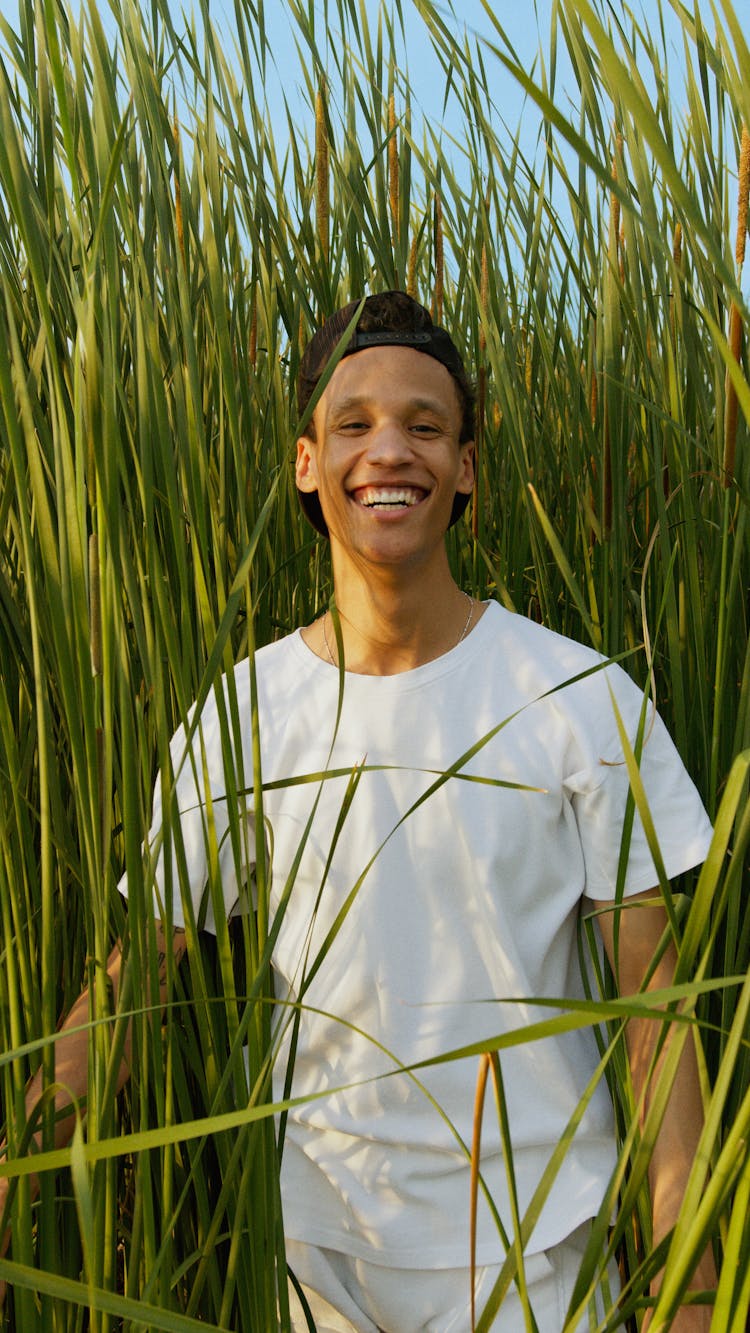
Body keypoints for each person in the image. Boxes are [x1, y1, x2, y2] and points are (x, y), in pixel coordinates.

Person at [0, 292, 717, 1331]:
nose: (392, 449)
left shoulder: (580, 700)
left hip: (543, 1265)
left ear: (465, 466)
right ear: (307, 462)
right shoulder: (244, 713)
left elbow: (655, 1010)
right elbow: (135, 981)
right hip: (316, 1269)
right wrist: (18, 1161)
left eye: (426, 425)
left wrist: (693, 1295)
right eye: (355, 423)